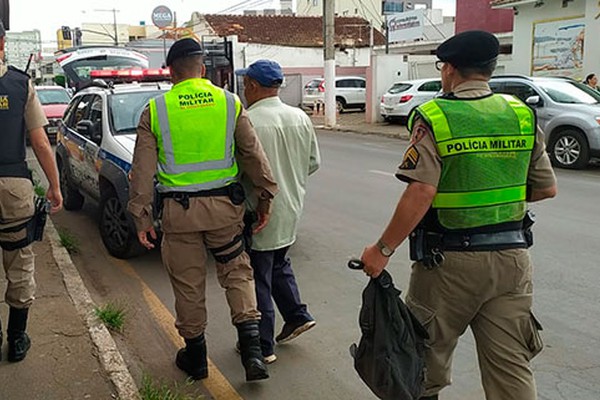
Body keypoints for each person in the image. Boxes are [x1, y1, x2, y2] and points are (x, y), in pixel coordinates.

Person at [360, 30, 557, 400]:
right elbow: (546, 188)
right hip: (512, 262)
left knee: (422, 366)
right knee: (511, 369)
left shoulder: (435, 116)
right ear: (491, 69)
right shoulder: (520, 114)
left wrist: (382, 250)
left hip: (448, 266)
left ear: (449, 69)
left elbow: (421, 190)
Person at [127, 38, 279, 382]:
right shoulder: (230, 103)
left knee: (188, 284)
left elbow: (142, 171)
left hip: (179, 216)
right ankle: (253, 351)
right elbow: (254, 157)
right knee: (238, 274)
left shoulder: (156, 109)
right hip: (226, 211)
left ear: (171, 72)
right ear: (203, 69)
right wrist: (266, 199)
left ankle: (195, 357)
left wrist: (141, 217)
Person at [235, 60, 320, 363]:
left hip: (259, 211)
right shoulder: (299, 117)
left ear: (254, 86)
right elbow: (312, 163)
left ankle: (262, 345)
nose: (244, 89)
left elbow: (237, 172)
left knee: (258, 276)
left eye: (245, 84)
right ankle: (297, 315)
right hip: (291, 208)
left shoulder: (247, 121)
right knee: (279, 262)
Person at [0, 21, 63, 363]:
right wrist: (54, 186)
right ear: (1, 45)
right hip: (14, 187)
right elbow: (40, 140)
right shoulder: (20, 84)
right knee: (20, 263)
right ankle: (17, 338)